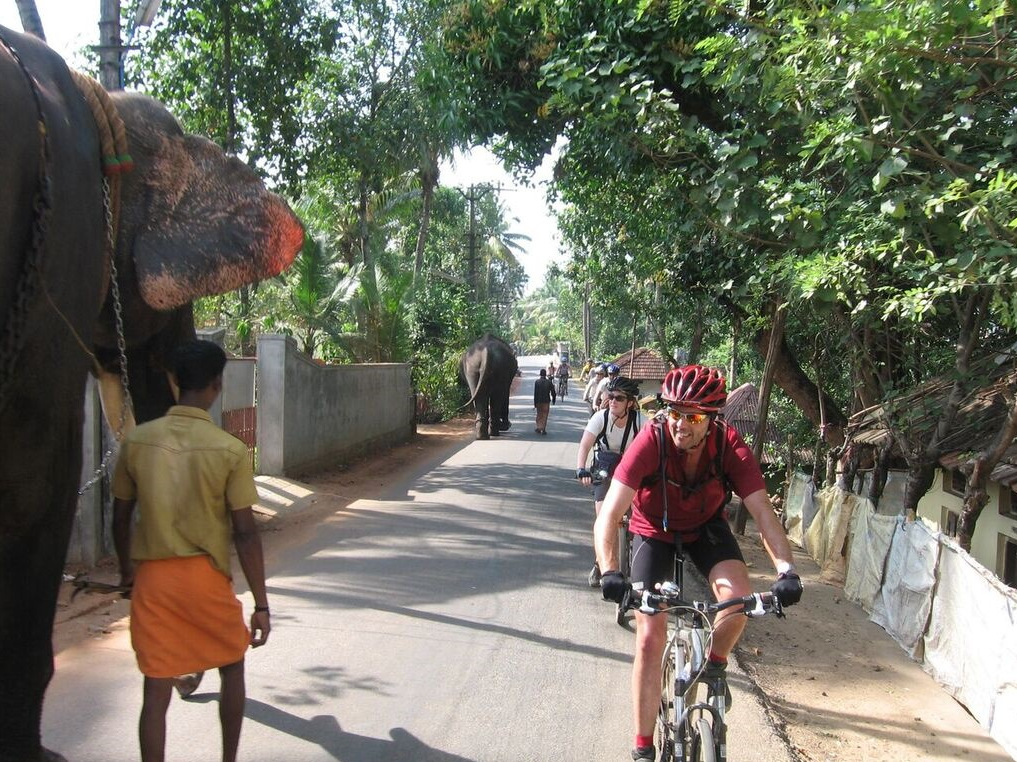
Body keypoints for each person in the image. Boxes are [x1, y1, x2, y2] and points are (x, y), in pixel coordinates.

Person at [593, 365, 803, 762]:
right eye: (674, 412)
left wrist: (787, 571)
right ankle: (642, 747)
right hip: (652, 529)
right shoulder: (650, 441)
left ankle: (714, 661)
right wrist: (609, 570)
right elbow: (609, 515)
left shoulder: (729, 446)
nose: (680, 424)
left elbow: (763, 513)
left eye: (693, 417)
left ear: (713, 419)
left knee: (739, 601)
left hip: (706, 526)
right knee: (650, 636)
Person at [112, 340, 271, 762]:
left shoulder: (138, 442)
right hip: (207, 579)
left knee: (156, 688)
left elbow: (120, 517)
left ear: (174, 381)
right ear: (217, 385)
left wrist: (128, 574)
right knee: (232, 667)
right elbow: (245, 534)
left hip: (153, 581)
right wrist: (261, 604)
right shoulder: (230, 450)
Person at [575, 376, 643, 587]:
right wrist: (581, 469)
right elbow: (585, 445)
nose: (612, 401)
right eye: (610, 397)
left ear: (630, 402)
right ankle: (601, 564)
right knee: (604, 518)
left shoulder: (641, 421)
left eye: (619, 398)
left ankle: (634, 557)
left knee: (640, 519)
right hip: (605, 469)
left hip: (631, 471)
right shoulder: (600, 418)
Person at [533, 367, 557, 434]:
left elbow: (535, 393)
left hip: (539, 401)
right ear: (545, 374)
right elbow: (553, 392)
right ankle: (543, 429)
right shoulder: (549, 382)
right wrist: (554, 400)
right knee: (545, 415)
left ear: (540, 374)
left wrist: (535, 403)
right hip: (546, 401)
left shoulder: (537, 382)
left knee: (539, 414)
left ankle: (538, 427)